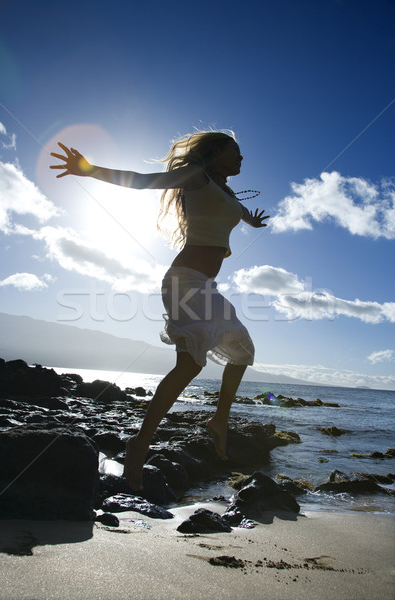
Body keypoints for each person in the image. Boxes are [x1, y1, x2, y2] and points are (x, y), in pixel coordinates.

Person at [50, 130, 269, 491]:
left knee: (243, 352)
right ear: (213, 153)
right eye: (235, 152)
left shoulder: (225, 190)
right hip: (185, 281)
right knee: (190, 363)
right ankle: (140, 444)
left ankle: (219, 420)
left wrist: (253, 221)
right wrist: (88, 169)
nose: (241, 159)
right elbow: (142, 181)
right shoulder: (196, 177)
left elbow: (241, 213)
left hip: (206, 286)